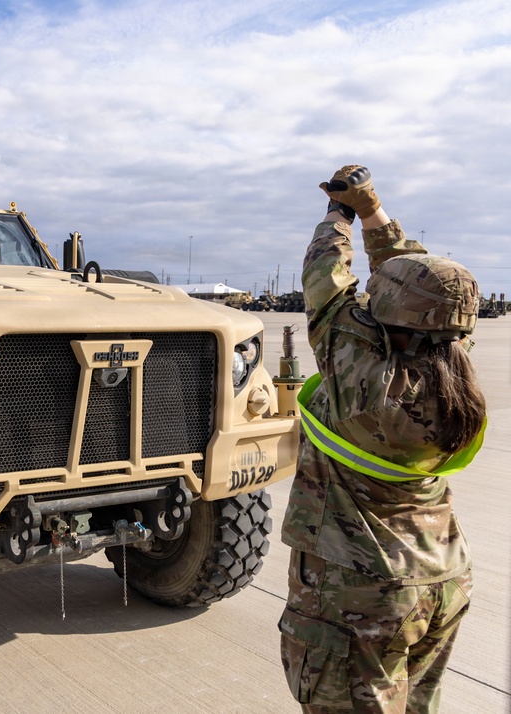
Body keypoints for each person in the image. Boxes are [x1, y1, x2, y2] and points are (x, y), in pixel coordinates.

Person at [277, 165, 487, 712]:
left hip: (361, 592)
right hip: (441, 579)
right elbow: (420, 286)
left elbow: (324, 271)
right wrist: (373, 210)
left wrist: (340, 212)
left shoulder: (361, 375)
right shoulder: (457, 374)